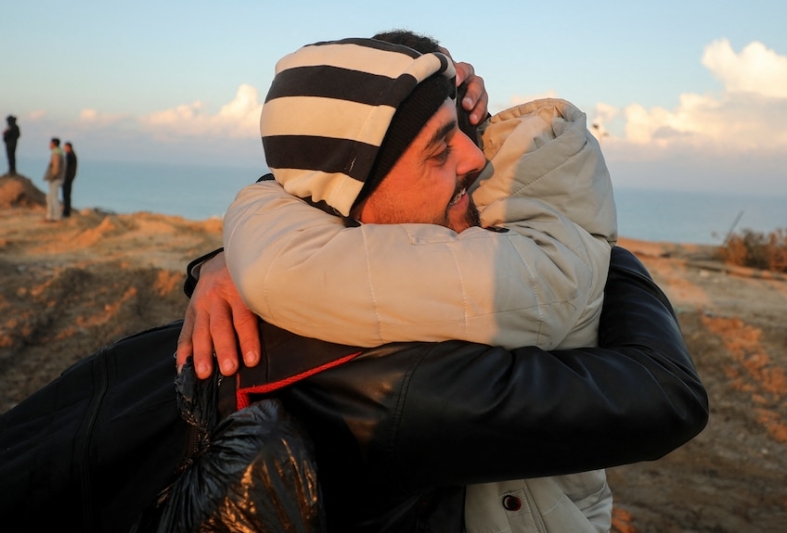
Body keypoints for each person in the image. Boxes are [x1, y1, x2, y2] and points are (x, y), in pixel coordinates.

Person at [178, 36, 706, 531]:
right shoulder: (400, 377)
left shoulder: (351, 266)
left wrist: (226, 254)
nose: (477, 159)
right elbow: (667, 395)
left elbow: (329, 178)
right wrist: (600, 249)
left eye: (460, 126)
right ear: (349, 204)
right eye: (439, 148)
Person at [43, 137, 65, 221]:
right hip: (57, 178)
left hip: (55, 179)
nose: (49, 145)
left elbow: (56, 169)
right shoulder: (58, 152)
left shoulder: (56, 154)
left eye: (50, 143)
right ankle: (51, 215)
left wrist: (51, 177)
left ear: (53, 144)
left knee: (53, 198)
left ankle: (56, 216)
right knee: (51, 197)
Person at [62, 141, 78, 217]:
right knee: (67, 195)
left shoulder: (70, 156)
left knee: (66, 195)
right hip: (69, 178)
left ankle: (66, 212)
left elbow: (66, 167)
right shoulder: (72, 155)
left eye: (65, 147)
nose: (64, 148)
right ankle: (66, 211)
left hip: (67, 178)